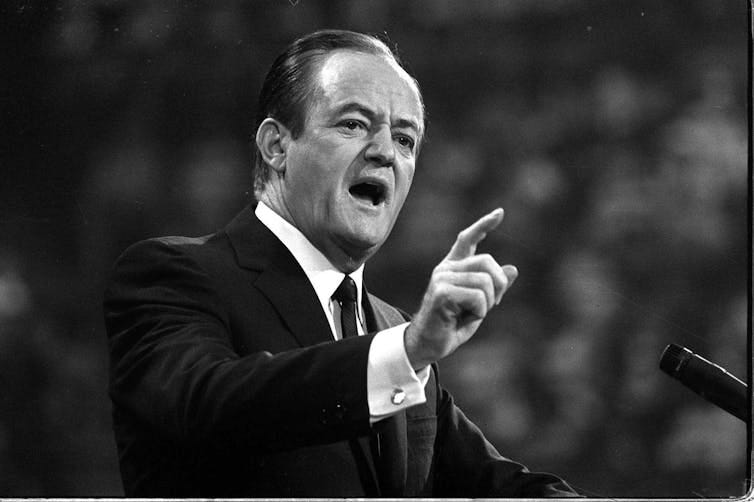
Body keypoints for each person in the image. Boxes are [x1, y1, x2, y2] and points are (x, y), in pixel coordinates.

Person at [104, 29, 579, 497]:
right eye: (353, 124)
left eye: (405, 139)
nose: (385, 152)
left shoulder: (391, 328)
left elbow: (496, 488)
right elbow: (211, 404)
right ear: (276, 147)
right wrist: (407, 351)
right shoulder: (172, 275)